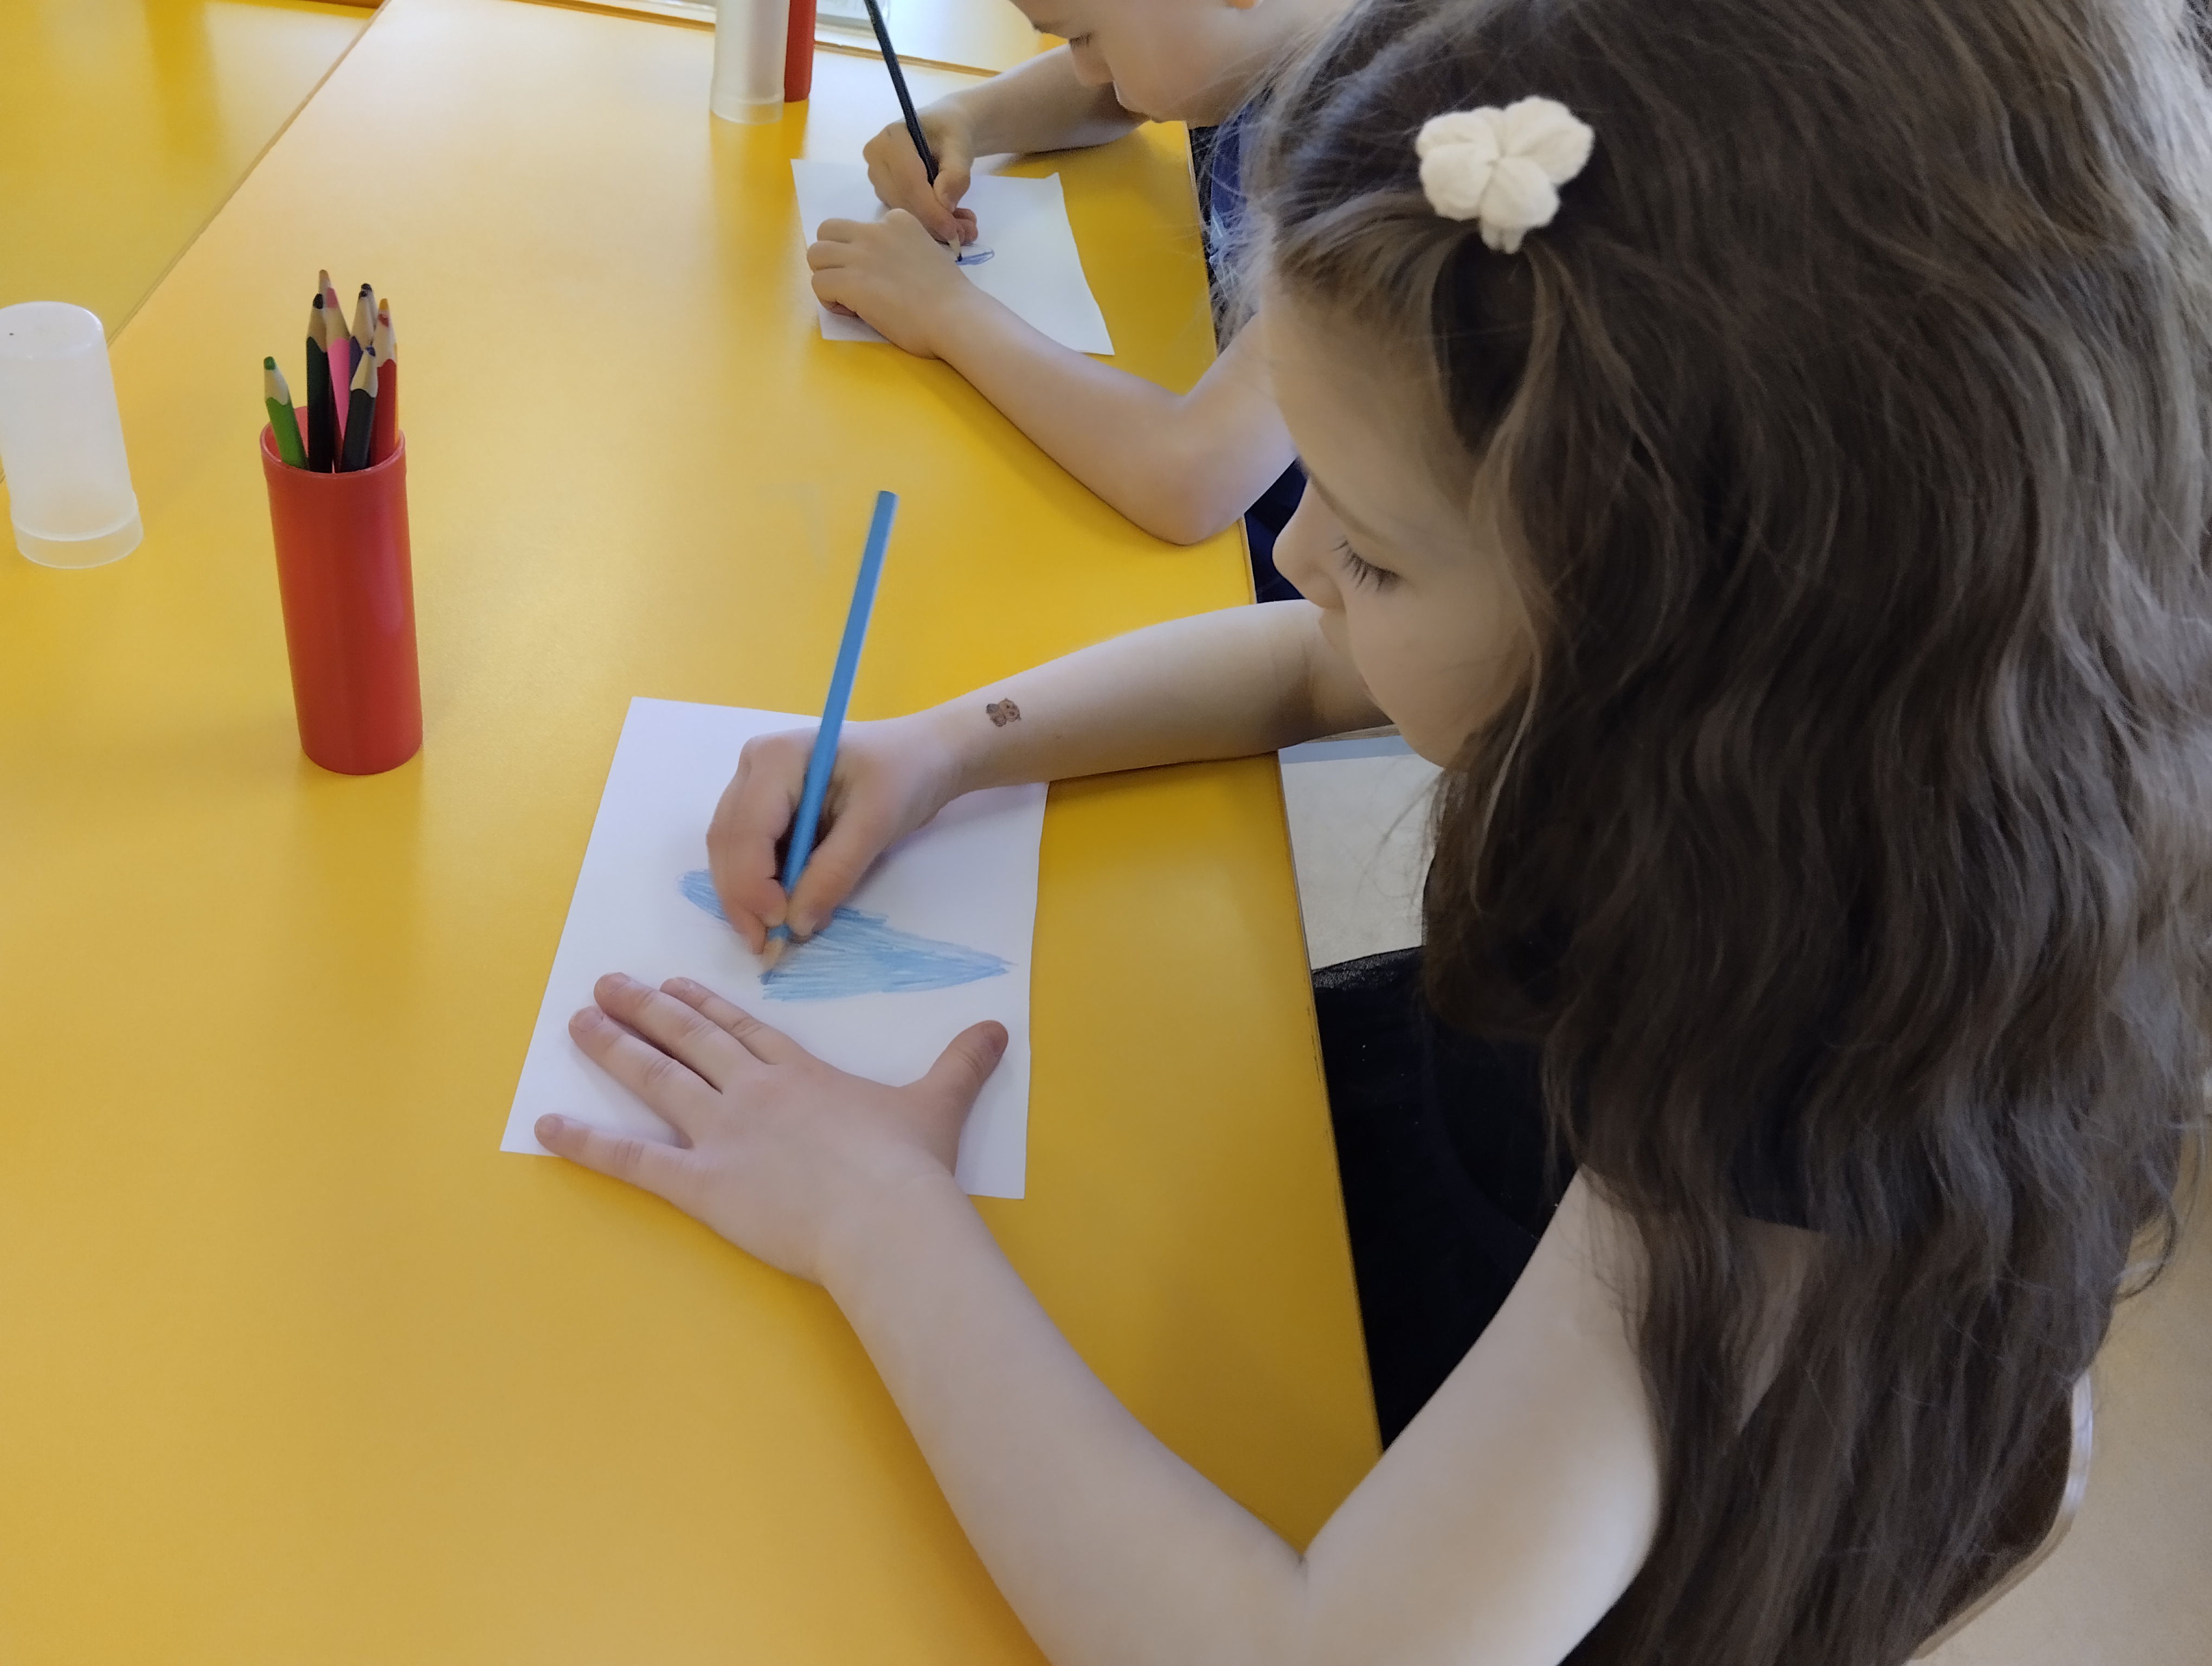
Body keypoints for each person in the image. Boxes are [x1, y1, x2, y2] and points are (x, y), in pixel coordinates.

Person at [537, 0, 2212, 1659]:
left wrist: (873, 1216)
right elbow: (1313, 663)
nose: (1293, 559)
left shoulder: (1809, 1061)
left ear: (1666, 625)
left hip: (1513, 1505)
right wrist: (945, 750)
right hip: (1464, 1179)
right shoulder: (1759, 710)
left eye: (1376, 552)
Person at [811, 0, 1353, 599]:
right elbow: (1124, 94)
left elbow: (1190, 478)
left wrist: (942, 310)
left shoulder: (1373, 168)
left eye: (1086, 37)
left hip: (1300, 576)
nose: (1086, 70)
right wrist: (967, 120)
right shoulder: (1267, 35)